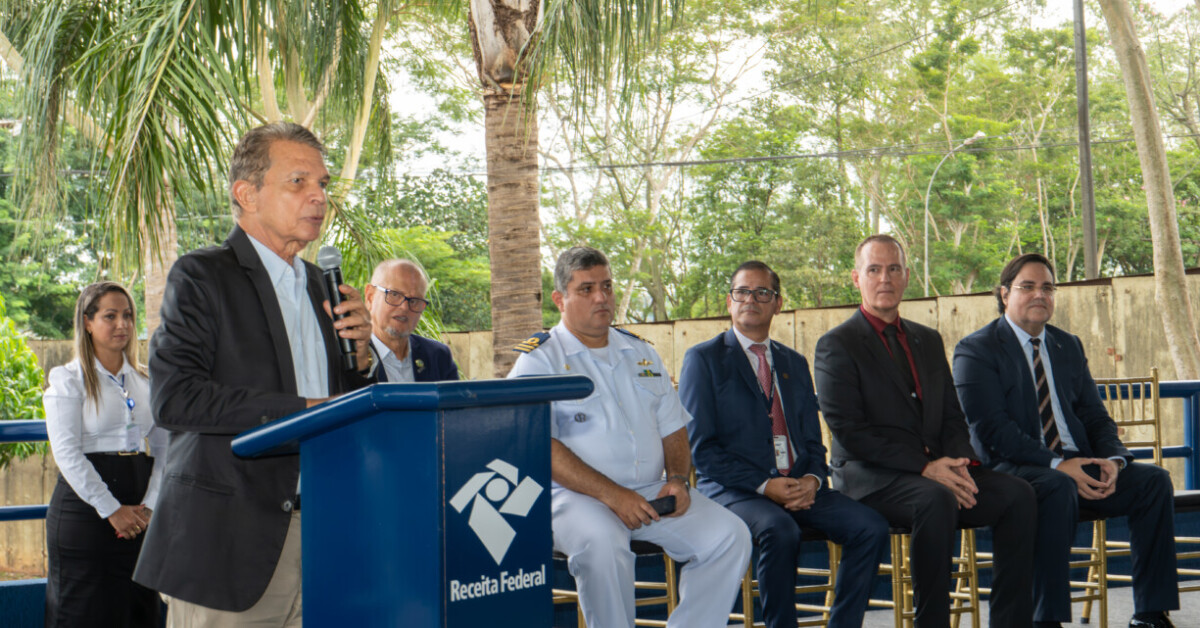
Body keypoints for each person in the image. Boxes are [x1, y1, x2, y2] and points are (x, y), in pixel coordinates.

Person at [133, 122, 377, 626]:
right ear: (247, 194)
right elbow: (176, 397)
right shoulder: (202, 276)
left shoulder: (323, 286)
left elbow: (350, 405)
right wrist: (305, 413)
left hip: (327, 535)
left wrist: (362, 361)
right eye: (298, 182)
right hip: (229, 545)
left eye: (323, 184)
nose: (318, 197)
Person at [508, 246, 751, 628]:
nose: (601, 297)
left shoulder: (640, 352)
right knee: (603, 545)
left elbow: (673, 429)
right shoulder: (539, 361)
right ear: (560, 299)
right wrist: (613, 495)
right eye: (586, 289)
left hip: (649, 491)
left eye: (606, 286)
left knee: (729, 535)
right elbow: (540, 446)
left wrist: (677, 480)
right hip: (572, 498)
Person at [813, 234, 1037, 628]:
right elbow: (850, 432)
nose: (885, 278)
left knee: (1018, 494)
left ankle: (1011, 623)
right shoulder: (837, 344)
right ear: (857, 278)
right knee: (935, 499)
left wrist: (960, 464)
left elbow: (952, 414)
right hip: (871, 479)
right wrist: (925, 467)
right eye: (874, 269)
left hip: (935, 472)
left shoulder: (927, 339)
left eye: (894, 269)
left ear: (906, 276)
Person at [952, 253, 1179, 628]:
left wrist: (1113, 460)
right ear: (1005, 294)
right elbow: (990, 428)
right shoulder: (976, 349)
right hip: (1013, 468)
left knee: (1153, 481)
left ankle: (1150, 615)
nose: (1039, 295)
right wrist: (1058, 464)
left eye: (1047, 288)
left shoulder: (1067, 345)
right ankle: (1046, 620)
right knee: (1056, 486)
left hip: (1076, 462)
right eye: (1028, 287)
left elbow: (1094, 415)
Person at [679, 261, 888, 628]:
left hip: (797, 484)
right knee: (780, 529)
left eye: (763, 293)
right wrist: (765, 485)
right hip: (736, 489)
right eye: (742, 292)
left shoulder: (794, 362)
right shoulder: (704, 359)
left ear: (777, 303)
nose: (750, 300)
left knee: (870, 527)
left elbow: (813, 442)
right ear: (729, 301)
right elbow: (702, 450)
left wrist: (812, 480)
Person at [43, 281, 167, 627]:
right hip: (86, 516)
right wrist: (111, 509)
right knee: (84, 614)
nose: (122, 324)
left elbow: (166, 448)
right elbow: (66, 453)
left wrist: (149, 506)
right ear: (87, 322)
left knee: (138, 612)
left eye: (127, 315)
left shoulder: (145, 381)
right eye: (110, 316)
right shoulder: (68, 380)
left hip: (140, 518)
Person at [364, 259, 459, 382]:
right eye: (394, 294)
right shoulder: (350, 358)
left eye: (414, 300)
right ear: (370, 297)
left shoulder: (438, 357)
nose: (404, 307)